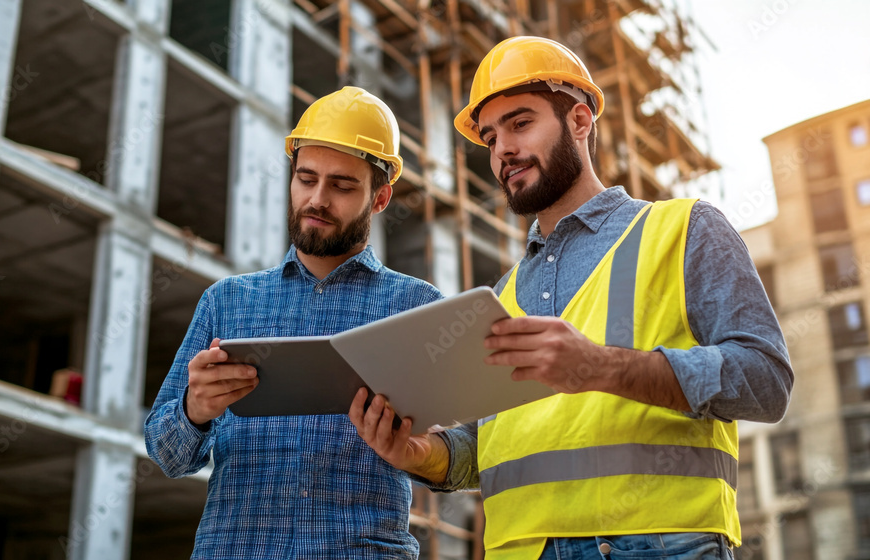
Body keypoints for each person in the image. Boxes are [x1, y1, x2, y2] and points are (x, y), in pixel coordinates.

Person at [349, 36, 793, 559]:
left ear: (580, 122)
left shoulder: (684, 230)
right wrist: (418, 454)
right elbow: (488, 451)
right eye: (489, 139)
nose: (502, 152)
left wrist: (603, 368)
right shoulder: (500, 296)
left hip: (659, 543)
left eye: (520, 123)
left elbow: (765, 382)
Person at [145, 86, 442, 560]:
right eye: (306, 179)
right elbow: (166, 453)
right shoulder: (226, 302)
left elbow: (456, 457)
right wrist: (195, 409)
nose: (317, 199)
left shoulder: (420, 309)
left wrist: (417, 448)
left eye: (342, 186)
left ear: (381, 197)